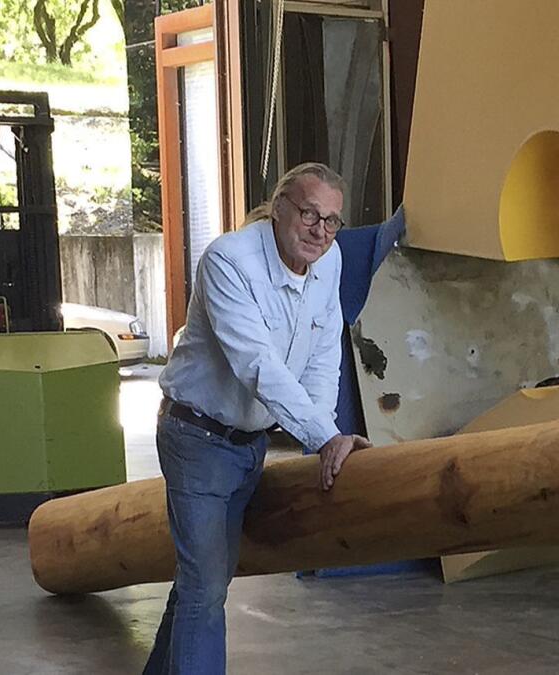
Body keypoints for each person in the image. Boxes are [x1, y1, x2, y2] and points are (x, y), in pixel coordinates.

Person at [143, 162, 371, 674]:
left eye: (332, 220)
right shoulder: (230, 260)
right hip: (196, 437)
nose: (320, 230)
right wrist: (323, 436)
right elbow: (258, 366)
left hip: (249, 445)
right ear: (279, 206)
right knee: (204, 591)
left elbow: (321, 351)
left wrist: (325, 438)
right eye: (310, 213)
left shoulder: (327, 260)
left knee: (201, 584)